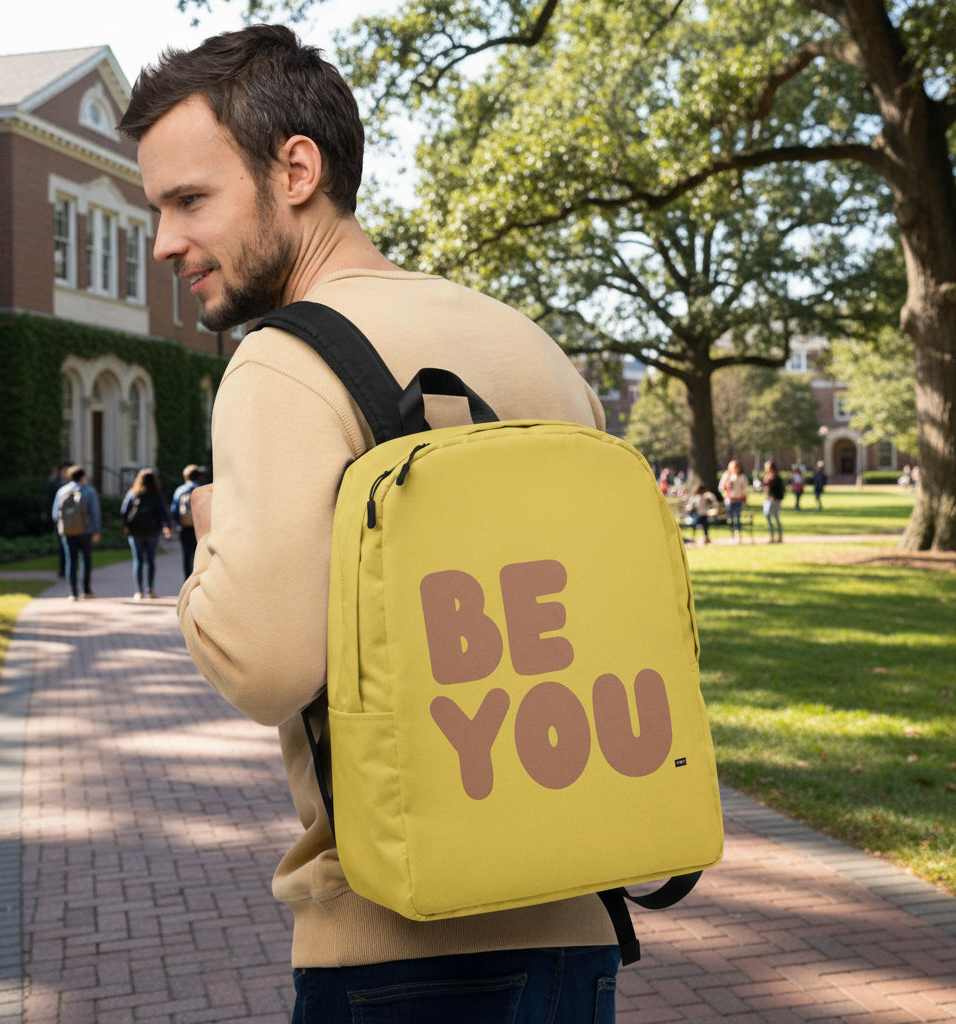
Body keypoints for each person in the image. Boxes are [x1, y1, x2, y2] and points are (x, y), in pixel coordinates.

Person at [120, 24, 619, 1020]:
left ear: (294, 169)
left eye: (189, 200)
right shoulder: (530, 345)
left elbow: (266, 666)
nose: (166, 241)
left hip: (396, 939)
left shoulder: (285, 361)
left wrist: (209, 531)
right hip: (577, 922)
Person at [120, 468, 173, 599]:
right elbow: (164, 513)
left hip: (135, 532)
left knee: (137, 561)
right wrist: (167, 527)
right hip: (152, 531)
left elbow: (124, 511)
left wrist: (126, 526)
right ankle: (150, 589)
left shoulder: (132, 494)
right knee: (150, 561)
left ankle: (138, 590)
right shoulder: (157, 495)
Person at [51, 465, 101, 600]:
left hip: (67, 531)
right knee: (86, 559)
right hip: (86, 530)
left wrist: (61, 526)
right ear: (83, 476)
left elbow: (55, 514)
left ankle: (72, 592)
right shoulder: (89, 491)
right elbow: (95, 513)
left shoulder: (62, 491)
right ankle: (86, 590)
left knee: (70, 560)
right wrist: (97, 530)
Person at [171, 464, 203, 580]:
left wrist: (177, 523)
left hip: (184, 527)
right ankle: (197, 579)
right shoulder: (200, 490)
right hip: (198, 528)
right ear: (198, 477)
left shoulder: (180, 490)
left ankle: (187, 580)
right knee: (198, 555)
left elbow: (174, 509)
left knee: (186, 555)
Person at [42, 460, 73, 577]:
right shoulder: (55, 485)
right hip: (62, 521)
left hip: (75, 521)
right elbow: (49, 503)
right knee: (63, 546)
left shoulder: (76, 486)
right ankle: (64, 569)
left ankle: (70, 569)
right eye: (64, 471)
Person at [718, 459, 748, 543]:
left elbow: (745, 488)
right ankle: (732, 535)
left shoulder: (742, 477)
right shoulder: (727, 475)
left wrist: (743, 495)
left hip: (738, 499)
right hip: (730, 499)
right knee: (730, 518)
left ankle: (739, 535)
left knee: (738, 518)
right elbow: (721, 487)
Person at [681, 480, 718, 545]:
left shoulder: (706, 496)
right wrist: (688, 508)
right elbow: (690, 505)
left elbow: (713, 500)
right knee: (695, 524)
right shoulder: (696, 497)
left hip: (704, 515)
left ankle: (706, 537)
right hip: (698, 515)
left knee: (705, 524)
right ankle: (694, 537)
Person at [762, 460, 785, 543]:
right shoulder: (767, 478)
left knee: (776, 517)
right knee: (767, 515)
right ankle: (771, 536)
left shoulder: (777, 479)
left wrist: (775, 496)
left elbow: (780, 491)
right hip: (768, 500)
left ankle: (779, 536)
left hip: (775, 500)